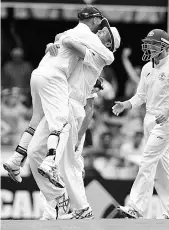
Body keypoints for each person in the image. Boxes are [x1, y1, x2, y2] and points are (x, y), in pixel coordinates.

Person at [3, 5, 113, 188]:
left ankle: (16, 159)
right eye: (100, 25)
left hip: (38, 74)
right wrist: (63, 42)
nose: (101, 29)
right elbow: (109, 57)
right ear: (94, 20)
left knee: (35, 120)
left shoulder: (72, 32)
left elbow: (61, 38)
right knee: (61, 123)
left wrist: (61, 42)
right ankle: (50, 161)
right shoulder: (88, 36)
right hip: (54, 78)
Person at [28, 24, 120, 220]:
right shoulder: (82, 51)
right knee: (35, 152)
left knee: (65, 163)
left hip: (71, 107)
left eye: (104, 33)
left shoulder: (98, 57)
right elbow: (62, 38)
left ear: (108, 43)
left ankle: (80, 208)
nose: (99, 31)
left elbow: (69, 39)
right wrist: (51, 45)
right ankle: (59, 200)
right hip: (57, 102)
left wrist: (79, 136)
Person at [112, 29, 169, 219]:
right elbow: (141, 96)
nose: (150, 47)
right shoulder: (147, 68)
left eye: (154, 44)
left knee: (146, 161)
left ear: (165, 46)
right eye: (149, 43)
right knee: (161, 167)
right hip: (149, 119)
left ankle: (136, 208)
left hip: (167, 120)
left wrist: (168, 112)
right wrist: (125, 104)